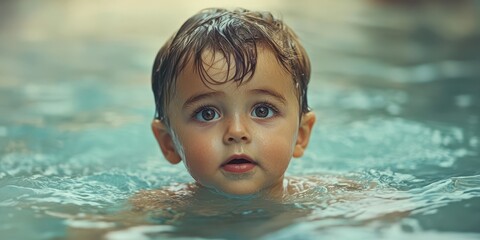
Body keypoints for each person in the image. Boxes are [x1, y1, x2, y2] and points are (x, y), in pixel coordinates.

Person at [149, 7, 316, 199]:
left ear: (301, 134)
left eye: (262, 111)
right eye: (207, 114)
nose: (236, 132)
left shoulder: (329, 200)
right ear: (168, 142)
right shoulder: (152, 209)